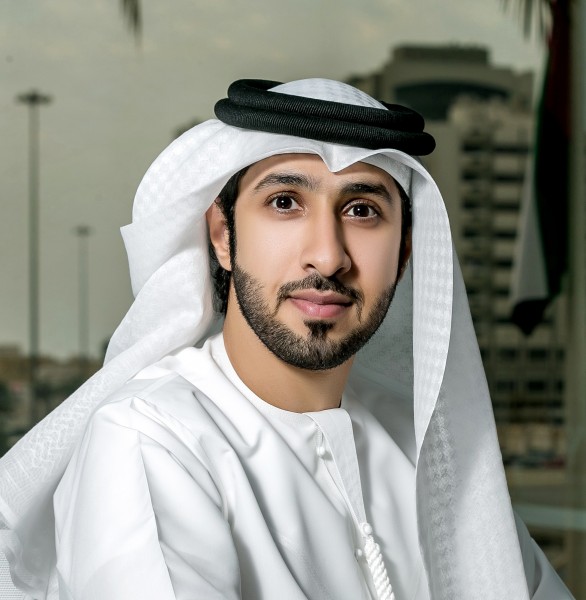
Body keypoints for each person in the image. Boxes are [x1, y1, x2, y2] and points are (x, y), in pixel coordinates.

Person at [0, 79, 573, 600]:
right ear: (223, 236)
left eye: (362, 210)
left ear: (403, 254)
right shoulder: (152, 441)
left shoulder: (424, 447)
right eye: (284, 203)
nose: (327, 255)